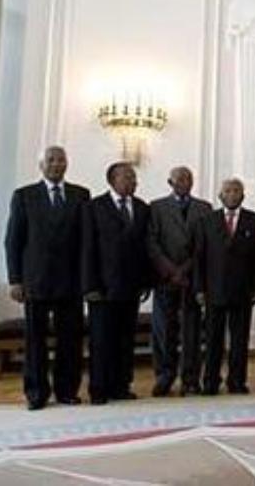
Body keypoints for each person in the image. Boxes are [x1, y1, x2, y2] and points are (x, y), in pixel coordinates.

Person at [4, 146, 91, 410]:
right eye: (51, 160)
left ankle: (66, 391)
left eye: (61, 160)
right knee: (35, 341)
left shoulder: (80, 195)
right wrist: (15, 279)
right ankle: (36, 393)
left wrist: (87, 281)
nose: (56, 164)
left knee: (70, 340)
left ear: (67, 164)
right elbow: (13, 241)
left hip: (71, 282)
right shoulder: (24, 196)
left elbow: (86, 243)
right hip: (35, 280)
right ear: (42, 165)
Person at [81, 162, 152, 405]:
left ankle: (122, 385)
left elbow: (145, 249)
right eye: (128, 177)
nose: (133, 181)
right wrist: (89, 286)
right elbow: (87, 248)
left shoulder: (143, 208)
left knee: (125, 340)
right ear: (112, 180)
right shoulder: (94, 207)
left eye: (134, 177)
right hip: (102, 288)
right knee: (101, 341)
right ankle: (99, 389)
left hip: (131, 287)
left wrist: (145, 282)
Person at [193, 178, 255, 395]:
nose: (233, 194)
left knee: (239, 340)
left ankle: (237, 381)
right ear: (221, 195)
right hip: (213, 290)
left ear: (243, 195)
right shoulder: (207, 221)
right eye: (228, 190)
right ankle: (210, 381)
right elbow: (199, 257)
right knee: (213, 339)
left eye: (237, 190)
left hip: (243, 291)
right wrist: (199, 289)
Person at [146, 166, 212, 397]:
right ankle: (164, 376)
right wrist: (170, 269)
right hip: (165, 278)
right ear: (170, 181)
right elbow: (152, 243)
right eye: (180, 178)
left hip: (191, 279)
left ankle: (191, 379)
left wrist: (185, 269)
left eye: (189, 178)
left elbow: (204, 246)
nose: (185, 181)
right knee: (164, 330)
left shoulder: (204, 208)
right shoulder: (156, 207)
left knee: (192, 332)